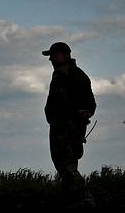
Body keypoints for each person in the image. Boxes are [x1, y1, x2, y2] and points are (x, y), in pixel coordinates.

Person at [43, 41, 96, 207]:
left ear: (65, 55)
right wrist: (85, 112)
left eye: (54, 55)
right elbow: (91, 103)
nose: (51, 58)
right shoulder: (81, 74)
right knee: (71, 161)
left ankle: (84, 196)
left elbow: (60, 101)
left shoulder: (61, 74)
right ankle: (69, 200)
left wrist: (74, 113)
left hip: (63, 125)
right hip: (78, 126)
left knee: (64, 163)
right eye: (50, 56)